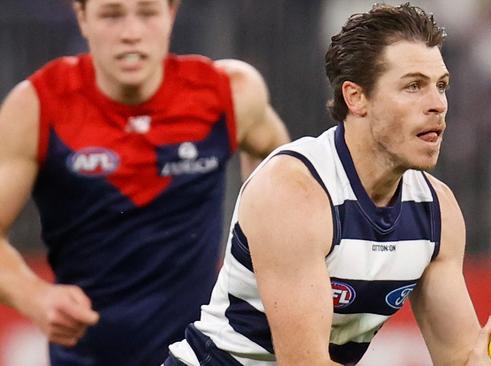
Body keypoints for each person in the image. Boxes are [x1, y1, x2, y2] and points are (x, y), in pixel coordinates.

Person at [164, 3, 491, 366]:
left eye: (441, 85)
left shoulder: (437, 211)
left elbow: (458, 357)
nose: (438, 104)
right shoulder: (294, 191)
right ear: (356, 97)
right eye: (413, 86)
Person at [0, 0, 289, 365]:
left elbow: (281, 175)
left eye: (147, 12)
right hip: (88, 357)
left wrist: (262, 263)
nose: (131, 33)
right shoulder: (38, 106)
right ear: (82, 18)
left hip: (204, 356)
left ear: (170, 14)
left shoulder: (229, 92)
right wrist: (35, 298)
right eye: (111, 14)